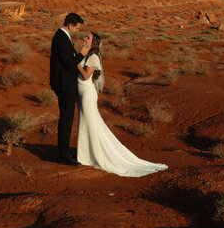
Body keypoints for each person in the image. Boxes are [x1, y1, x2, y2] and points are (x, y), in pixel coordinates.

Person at [77, 32, 168, 177]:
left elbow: (86, 75)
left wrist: (76, 63)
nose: (84, 39)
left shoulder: (93, 56)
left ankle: (93, 156)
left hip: (87, 94)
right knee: (86, 123)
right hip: (82, 93)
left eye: (88, 38)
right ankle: (87, 154)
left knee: (91, 124)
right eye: (85, 37)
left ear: (93, 42)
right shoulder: (86, 54)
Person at [50, 13, 88, 166]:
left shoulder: (62, 36)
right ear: (71, 25)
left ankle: (64, 151)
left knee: (67, 119)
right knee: (66, 120)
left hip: (65, 84)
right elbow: (68, 63)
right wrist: (81, 54)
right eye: (77, 28)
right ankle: (64, 154)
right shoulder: (61, 37)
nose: (77, 31)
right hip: (65, 85)